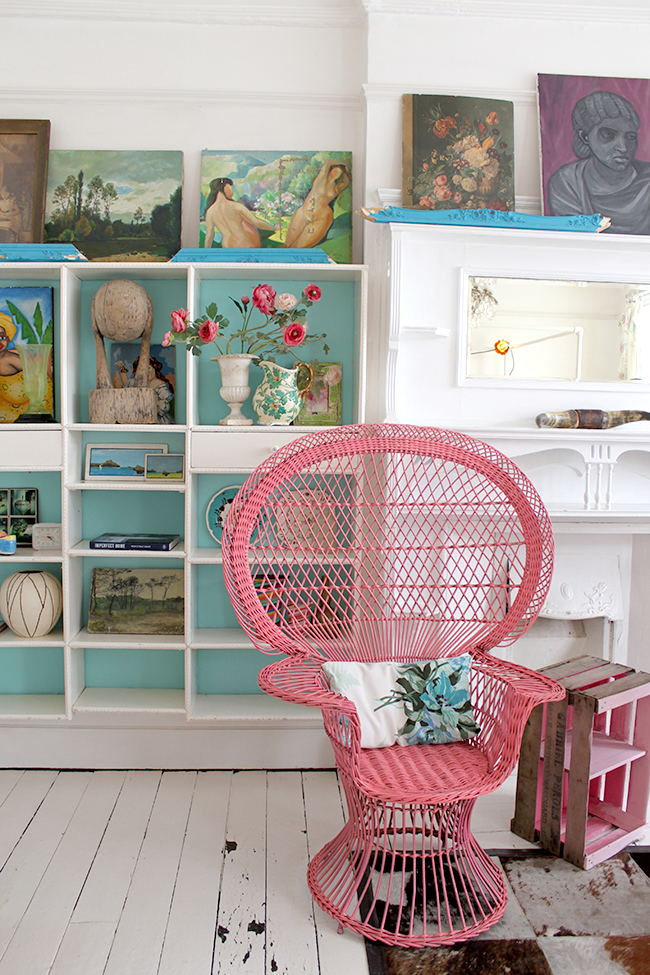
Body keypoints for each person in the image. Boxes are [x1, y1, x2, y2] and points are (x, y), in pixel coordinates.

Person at [546, 91, 650, 235]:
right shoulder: (567, 182)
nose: (623, 147)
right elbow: (573, 241)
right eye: (608, 135)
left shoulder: (646, 180)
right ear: (585, 136)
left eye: (630, 137)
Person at [283, 160, 351, 248]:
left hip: (321, 218)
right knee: (286, 245)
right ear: (330, 170)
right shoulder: (321, 179)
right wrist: (343, 164)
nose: (336, 173)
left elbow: (348, 181)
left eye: (339, 172)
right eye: (335, 170)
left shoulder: (337, 186)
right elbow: (328, 162)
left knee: (296, 248)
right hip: (303, 212)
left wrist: (346, 171)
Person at [203, 177, 277, 248]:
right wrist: (274, 228)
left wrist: (205, 253)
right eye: (230, 187)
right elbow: (256, 222)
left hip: (228, 247)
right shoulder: (236, 206)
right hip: (246, 244)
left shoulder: (210, 211)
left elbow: (209, 237)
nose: (232, 191)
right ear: (224, 188)